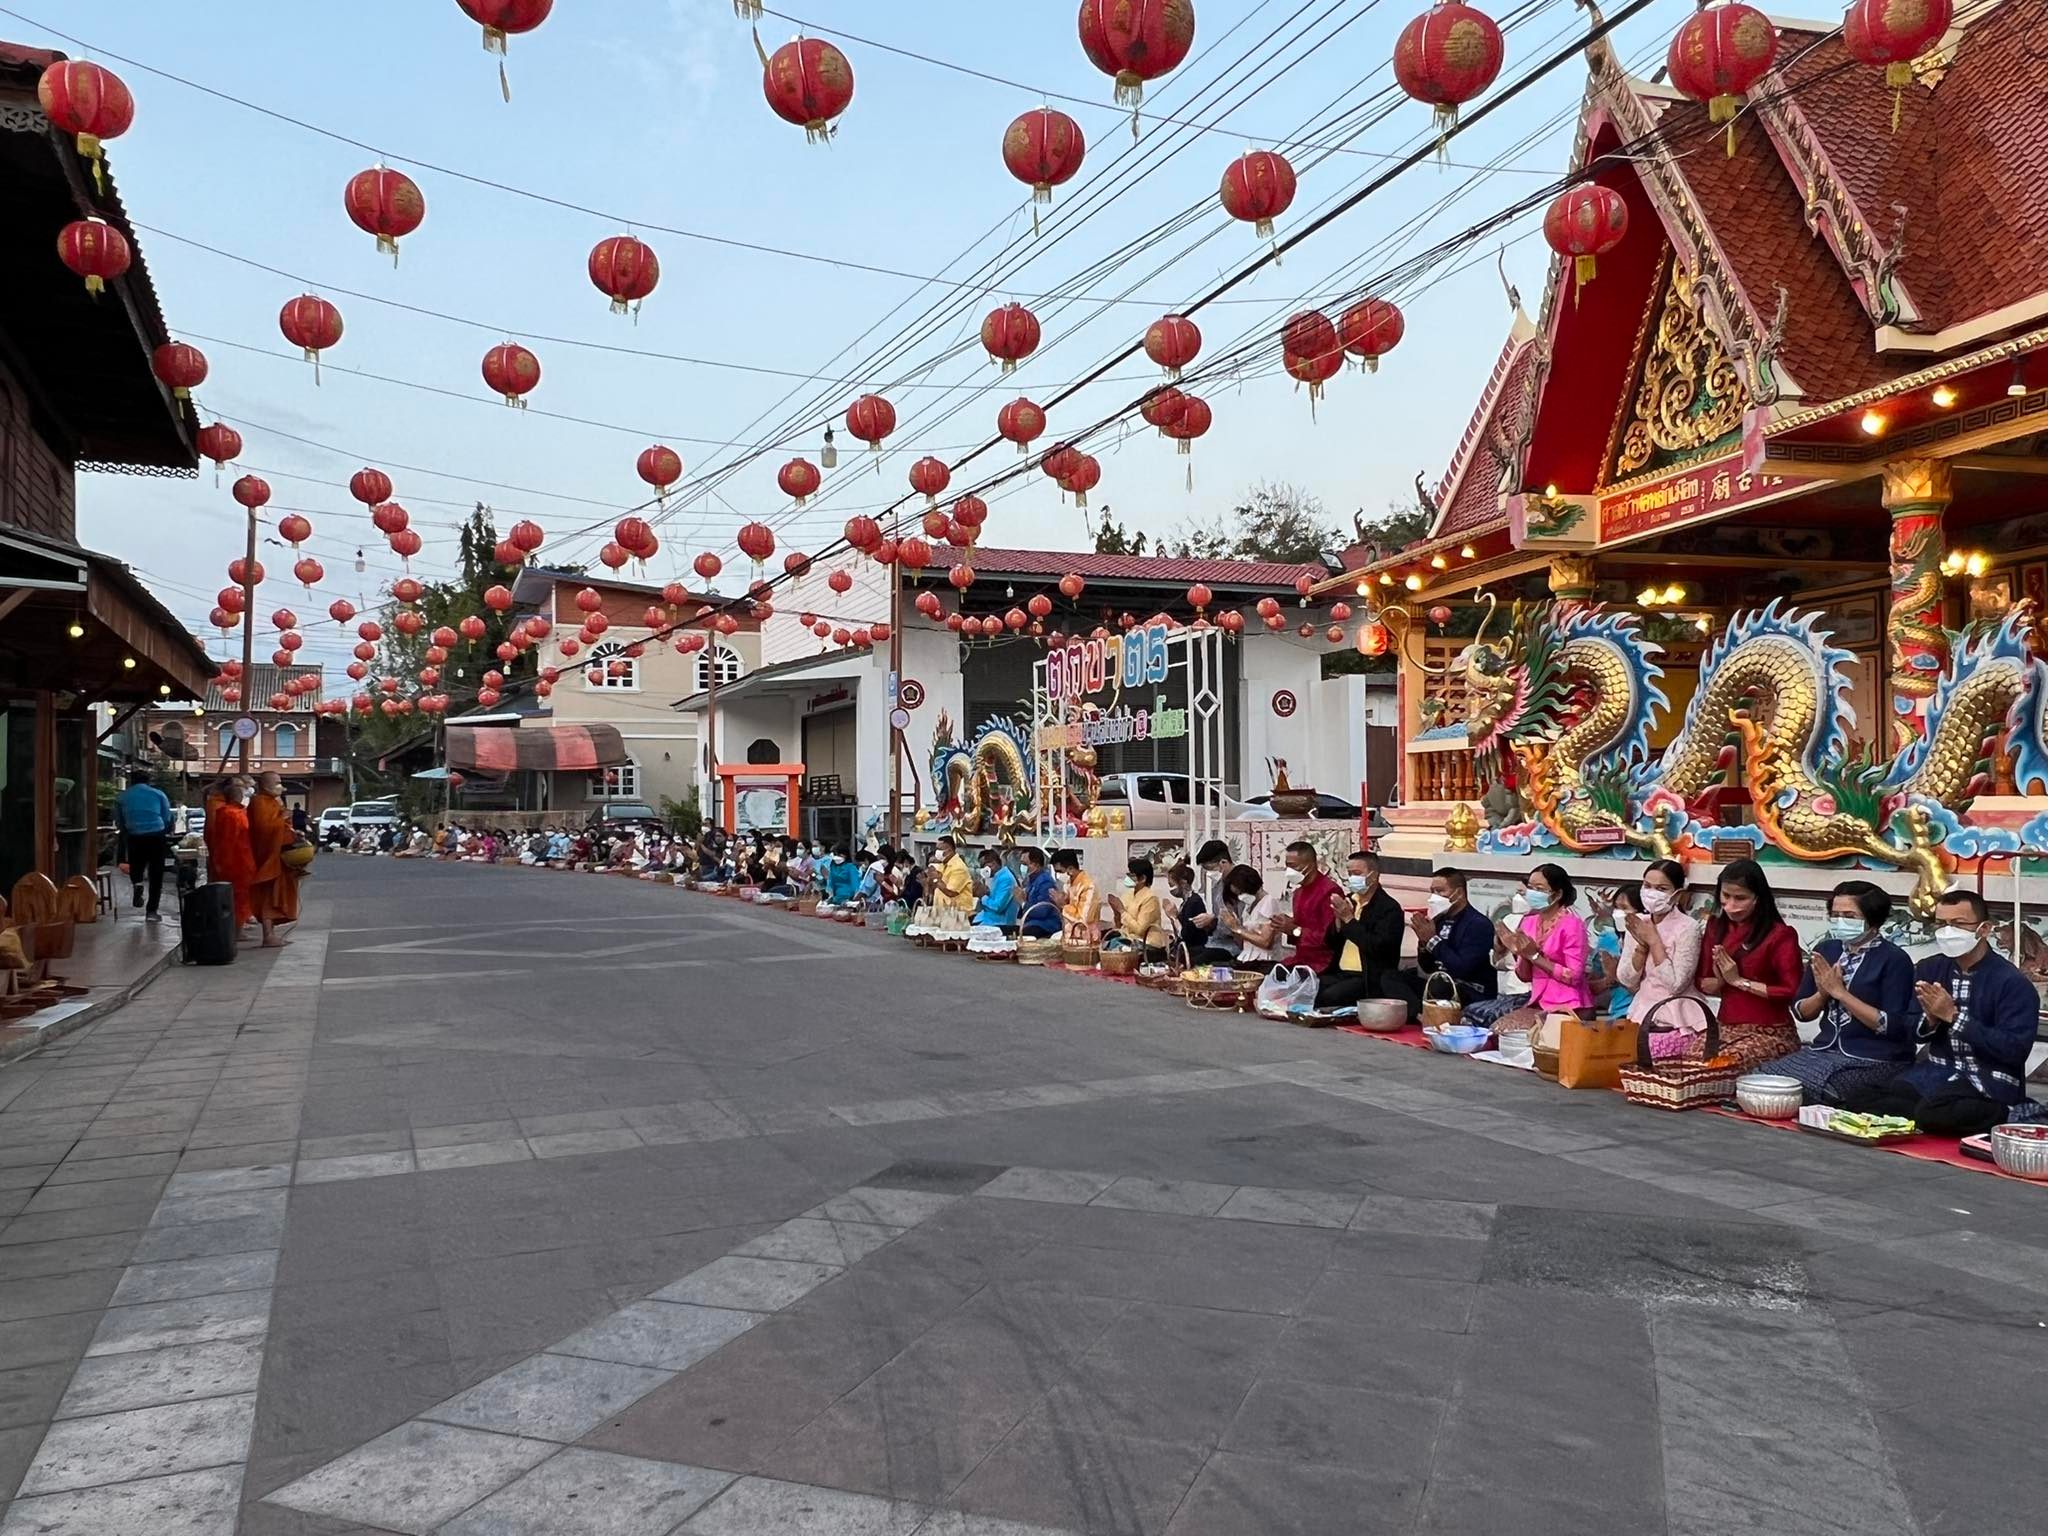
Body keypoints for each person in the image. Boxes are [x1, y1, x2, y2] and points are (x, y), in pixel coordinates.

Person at [1839, 889, 2040, 1133]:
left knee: (1934, 1113)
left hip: (1988, 1079)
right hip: (1937, 1071)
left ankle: (2011, 1113)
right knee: (1860, 1098)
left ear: (1984, 929)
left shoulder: (2012, 982)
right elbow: (1909, 1028)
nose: (1948, 932)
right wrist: (1930, 1020)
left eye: (1958, 924)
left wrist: (1954, 1018)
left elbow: (2013, 1051)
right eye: (1942, 924)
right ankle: (1926, 1112)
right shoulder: (1930, 968)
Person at [1773, 880, 1918, 1104]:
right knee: (1765, 1077)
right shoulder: (1825, 950)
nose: (1841, 921)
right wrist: (1822, 994)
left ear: (1872, 919)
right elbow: (1802, 1012)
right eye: (1835, 914)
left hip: (1874, 1057)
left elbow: (1893, 1026)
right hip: (1824, 1050)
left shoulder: (1894, 959)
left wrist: (1841, 994)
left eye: (1850, 916)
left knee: (1826, 1090)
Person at [1695, 858, 1801, 1070]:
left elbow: (1791, 990)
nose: (1731, 905)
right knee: (1693, 1060)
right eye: (1726, 896)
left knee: (1721, 1065)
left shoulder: (1780, 935)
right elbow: (1702, 982)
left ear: (1758, 898)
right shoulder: (1716, 927)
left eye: (1740, 898)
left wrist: (1738, 981)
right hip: (1725, 1025)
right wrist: (1719, 980)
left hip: (1769, 1030)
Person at [1615, 858, 1711, 1055]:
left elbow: (1676, 985)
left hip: (1676, 1019)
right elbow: (1626, 979)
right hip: (1641, 1013)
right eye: (1647, 886)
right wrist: (1641, 947)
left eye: (1661, 888)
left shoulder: (1688, 927)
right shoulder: (1637, 922)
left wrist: (1654, 942)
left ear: (1677, 894)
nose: (1651, 893)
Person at [1487, 863, 1592, 1027]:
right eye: (1530, 887)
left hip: (1569, 1004)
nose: (1532, 893)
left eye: (1539, 888)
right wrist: (1516, 951)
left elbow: (1574, 976)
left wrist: (1534, 956)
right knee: (1498, 1031)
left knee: (1513, 1033)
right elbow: (1525, 976)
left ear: (1556, 894)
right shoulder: (1528, 922)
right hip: (1538, 1000)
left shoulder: (1572, 924)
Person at [1315, 850, 1414, 1012]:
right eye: (1349, 874)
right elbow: (1331, 943)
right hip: (1340, 972)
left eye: (1357, 873)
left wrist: (1349, 920)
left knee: (1329, 997)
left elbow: (1377, 947)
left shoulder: (1389, 908)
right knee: (1308, 988)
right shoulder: (1350, 901)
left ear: (1373, 876)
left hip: (1368, 977)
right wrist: (1338, 922)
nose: (1352, 878)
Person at [1404, 866, 1497, 1006]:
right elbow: (1427, 967)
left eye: (1440, 891)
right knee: (1391, 978)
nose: (1434, 897)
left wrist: (1433, 941)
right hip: (1439, 981)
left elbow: (1461, 968)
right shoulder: (1439, 920)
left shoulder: (1478, 924)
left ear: (1459, 893)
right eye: (1432, 891)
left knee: (1440, 987)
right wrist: (1423, 943)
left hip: (1468, 988)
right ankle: (1419, 1013)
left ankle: (1425, 1012)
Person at [246, 771, 302, 949]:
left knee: (276, 894)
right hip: (267, 855)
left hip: (279, 854)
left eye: (280, 782)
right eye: (276, 782)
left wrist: (293, 832)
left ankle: (271, 934)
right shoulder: (259, 802)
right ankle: (268, 935)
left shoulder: (274, 802)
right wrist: (282, 818)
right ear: (265, 785)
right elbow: (264, 829)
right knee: (268, 894)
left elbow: (282, 826)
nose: (280, 786)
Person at [113, 768, 176, 920]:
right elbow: (167, 816)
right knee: (156, 873)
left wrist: (127, 830)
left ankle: (137, 884)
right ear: (148, 781)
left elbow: (119, 820)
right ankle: (151, 912)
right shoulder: (158, 794)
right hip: (156, 834)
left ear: (131, 781)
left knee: (136, 865)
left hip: (134, 835)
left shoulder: (122, 797)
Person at [1280, 841, 1344, 975]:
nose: (1289, 871)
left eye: (1293, 866)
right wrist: (1285, 925)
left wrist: (1295, 931)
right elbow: (1299, 927)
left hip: (1323, 963)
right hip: (1301, 959)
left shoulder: (1330, 891)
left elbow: (1329, 938)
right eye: (1287, 866)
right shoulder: (1298, 893)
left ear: (1310, 865)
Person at [205, 778, 255, 934]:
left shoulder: (232, 812)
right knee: (238, 894)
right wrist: (222, 862)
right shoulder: (232, 814)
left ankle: (238, 925)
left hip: (239, 859)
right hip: (236, 861)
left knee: (239, 894)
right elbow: (227, 841)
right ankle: (237, 929)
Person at [1216, 863, 1282, 964]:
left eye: (1240, 892)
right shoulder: (1248, 906)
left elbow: (1266, 942)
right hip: (1246, 958)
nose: (1240, 897)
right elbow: (1242, 944)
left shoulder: (1269, 902)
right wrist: (1234, 926)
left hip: (1264, 961)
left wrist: (1237, 929)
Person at [1104, 855, 1164, 954]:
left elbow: (1139, 929)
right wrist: (1116, 913)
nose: (1128, 878)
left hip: (1147, 944)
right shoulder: (1127, 895)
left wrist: (1122, 911)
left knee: (1116, 946)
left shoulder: (1150, 898)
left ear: (1143, 878)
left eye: (1132, 875)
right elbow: (1120, 927)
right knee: (1108, 943)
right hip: (1129, 940)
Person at [1183, 838, 1231, 954]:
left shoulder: (1238, 884)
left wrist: (1214, 919)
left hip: (1232, 945)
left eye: (1210, 869)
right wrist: (1209, 923)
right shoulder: (1217, 888)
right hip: (1217, 940)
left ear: (1223, 862)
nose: (1208, 874)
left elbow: (1238, 921)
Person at [1162, 861, 1205, 958]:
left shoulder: (1194, 902)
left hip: (1195, 952)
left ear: (1183, 882)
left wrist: (1174, 917)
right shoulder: (1185, 903)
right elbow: (1178, 934)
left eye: (1172, 885)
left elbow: (1185, 935)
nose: (1171, 889)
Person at [1052, 848, 1098, 937]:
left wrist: (1063, 906)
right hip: (1069, 935)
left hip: (1085, 938)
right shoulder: (1068, 884)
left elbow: (1082, 921)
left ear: (1070, 869)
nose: (1058, 875)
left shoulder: (1088, 886)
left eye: (1060, 871)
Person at [972, 848, 1020, 928]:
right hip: (987, 919)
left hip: (1000, 923)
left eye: (983, 866)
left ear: (993, 864)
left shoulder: (1006, 879)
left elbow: (998, 907)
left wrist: (983, 897)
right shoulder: (995, 878)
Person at [1019, 847, 1060, 937]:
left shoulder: (1045, 881)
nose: (1022, 867)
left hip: (1045, 925)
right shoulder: (1031, 880)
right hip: (1031, 923)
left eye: (1025, 864)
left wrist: (1022, 902)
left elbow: (1042, 911)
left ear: (1036, 865)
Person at [929, 835, 975, 912]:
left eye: (940, 849)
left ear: (949, 850)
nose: (937, 852)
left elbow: (951, 892)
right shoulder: (943, 864)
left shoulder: (958, 867)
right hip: (943, 911)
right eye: (936, 849)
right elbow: (937, 884)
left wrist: (936, 879)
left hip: (958, 915)